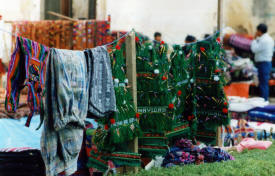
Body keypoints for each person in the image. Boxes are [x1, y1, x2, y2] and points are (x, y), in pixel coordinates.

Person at [251, 23, 274, 101]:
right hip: (265, 63)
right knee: (263, 83)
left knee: (263, 84)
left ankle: (264, 101)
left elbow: (254, 49)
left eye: (257, 31)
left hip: (264, 64)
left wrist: (254, 39)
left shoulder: (264, 40)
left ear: (259, 31)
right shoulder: (267, 39)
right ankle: (264, 100)